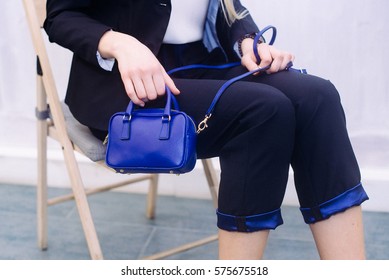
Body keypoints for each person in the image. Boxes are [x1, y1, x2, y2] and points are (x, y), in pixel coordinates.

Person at [44, 0, 369, 259]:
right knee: (263, 111)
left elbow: (226, 7)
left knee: (318, 98)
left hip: (205, 63)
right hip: (129, 85)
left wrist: (246, 41)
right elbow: (60, 16)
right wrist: (121, 44)